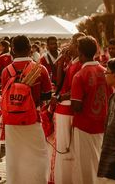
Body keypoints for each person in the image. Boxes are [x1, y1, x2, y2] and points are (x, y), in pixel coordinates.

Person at [1, 35, 52, 183]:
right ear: (30, 49)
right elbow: (46, 96)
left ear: (13, 50)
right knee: (37, 154)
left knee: (14, 155)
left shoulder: (6, 71)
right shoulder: (39, 69)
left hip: (11, 119)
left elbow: (4, 94)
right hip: (33, 118)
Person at [71, 36, 112, 183]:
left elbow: (76, 106)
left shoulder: (79, 75)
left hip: (84, 125)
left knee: (84, 164)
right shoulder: (106, 71)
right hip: (103, 123)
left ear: (80, 53)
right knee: (99, 159)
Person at [53, 32, 84, 184]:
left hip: (68, 107)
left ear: (78, 47)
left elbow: (74, 91)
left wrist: (58, 98)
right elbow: (60, 83)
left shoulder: (80, 65)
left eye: (71, 42)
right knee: (63, 144)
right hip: (63, 105)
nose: (68, 45)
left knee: (65, 145)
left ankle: (67, 178)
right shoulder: (72, 61)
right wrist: (60, 63)